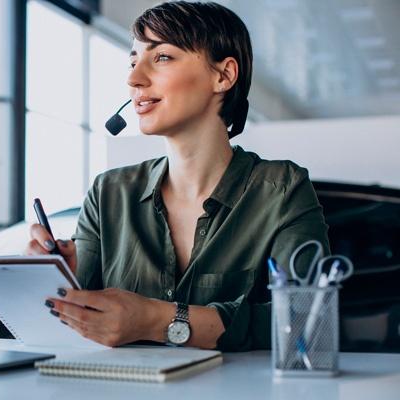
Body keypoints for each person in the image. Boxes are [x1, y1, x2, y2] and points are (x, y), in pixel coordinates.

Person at [25, 1, 329, 351]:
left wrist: (156, 319)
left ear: (223, 75)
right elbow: (74, 329)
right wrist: (60, 279)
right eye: (133, 60)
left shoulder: (282, 190)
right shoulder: (108, 192)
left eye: (162, 57)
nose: (133, 78)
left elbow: (308, 324)